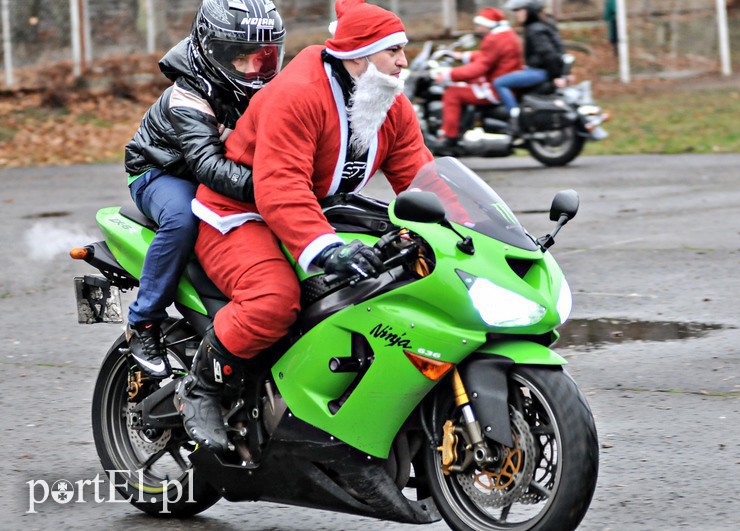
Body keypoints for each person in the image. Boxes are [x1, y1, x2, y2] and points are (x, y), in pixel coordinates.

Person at [175, 0, 434, 454]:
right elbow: (281, 186)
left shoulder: (389, 105)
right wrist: (326, 248)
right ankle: (201, 388)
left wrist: (476, 232)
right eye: (393, 50)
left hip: (314, 215)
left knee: (391, 284)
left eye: (402, 49)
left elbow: (423, 179)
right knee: (273, 301)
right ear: (359, 55)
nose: (403, 61)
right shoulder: (298, 93)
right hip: (239, 214)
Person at [123, 0, 285, 379]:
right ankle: (143, 321)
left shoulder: (269, 87)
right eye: (238, 56)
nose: (252, 67)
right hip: (161, 172)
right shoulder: (187, 95)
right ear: (211, 49)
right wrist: (272, 187)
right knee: (183, 217)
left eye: (263, 56)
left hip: (214, 174)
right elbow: (208, 166)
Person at [431, 7, 522, 156]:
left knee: (452, 93)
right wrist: (463, 56)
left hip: (492, 88)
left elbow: (480, 67)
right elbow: (488, 56)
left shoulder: (493, 39)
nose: (478, 28)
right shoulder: (506, 35)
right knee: (464, 87)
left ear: (488, 24)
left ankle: (449, 138)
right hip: (501, 80)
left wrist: (448, 74)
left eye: (480, 25)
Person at [492, 0, 566, 133]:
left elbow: (548, 54)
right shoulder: (542, 26)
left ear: (530, 12)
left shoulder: (534, 29)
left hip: (540, 71)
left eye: (521, 11)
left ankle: (515, 118)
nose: (518, 15)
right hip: (540, 69)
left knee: (499, 83)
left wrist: (556, 75)